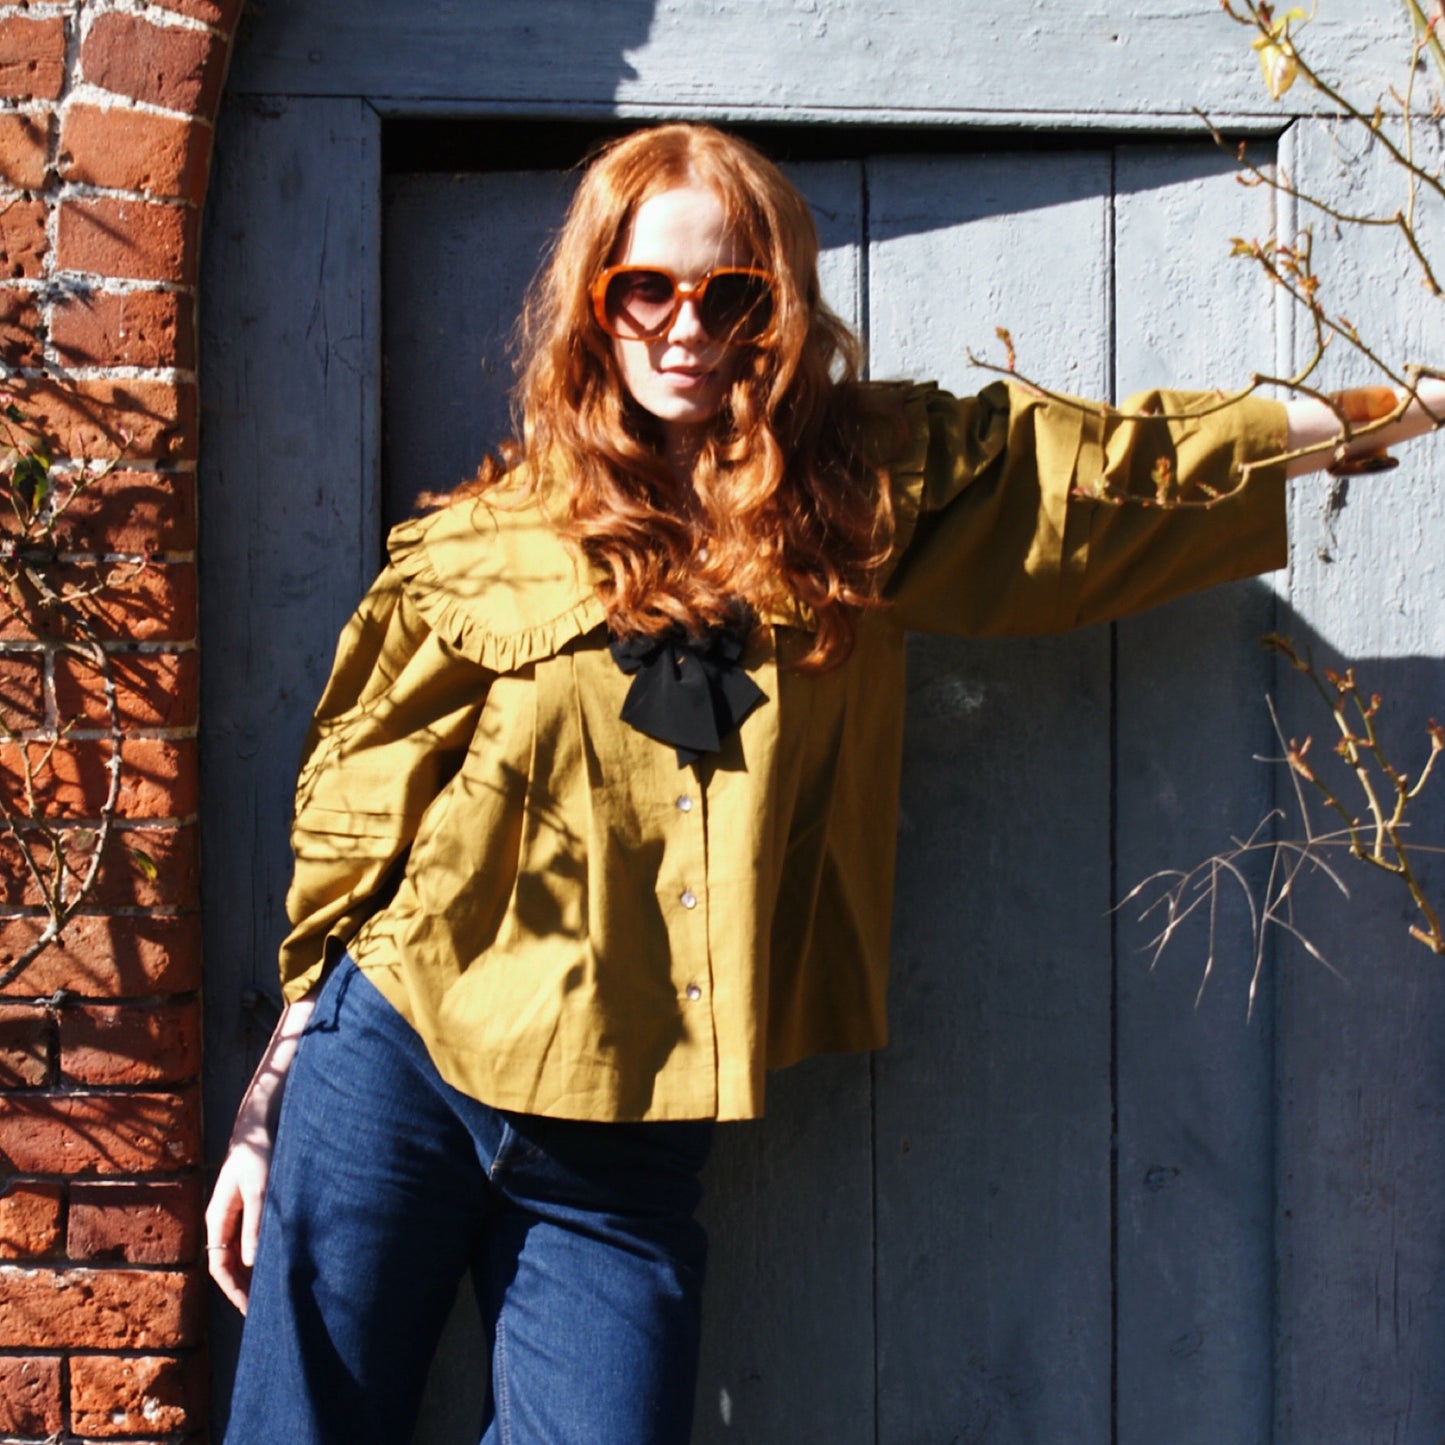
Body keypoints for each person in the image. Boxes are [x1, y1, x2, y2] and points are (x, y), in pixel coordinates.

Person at [206, 122, 1444, 1445]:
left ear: (778, 311)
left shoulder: (859, 496)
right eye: (645, 289)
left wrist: (1391, 411)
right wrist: (271, 1105)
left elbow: (1101, 475)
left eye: (730, 295)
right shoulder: (481, 540)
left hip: (627, 1129)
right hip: (400, 1064)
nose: (685, 328)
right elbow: (359, 810)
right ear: (594, 305)